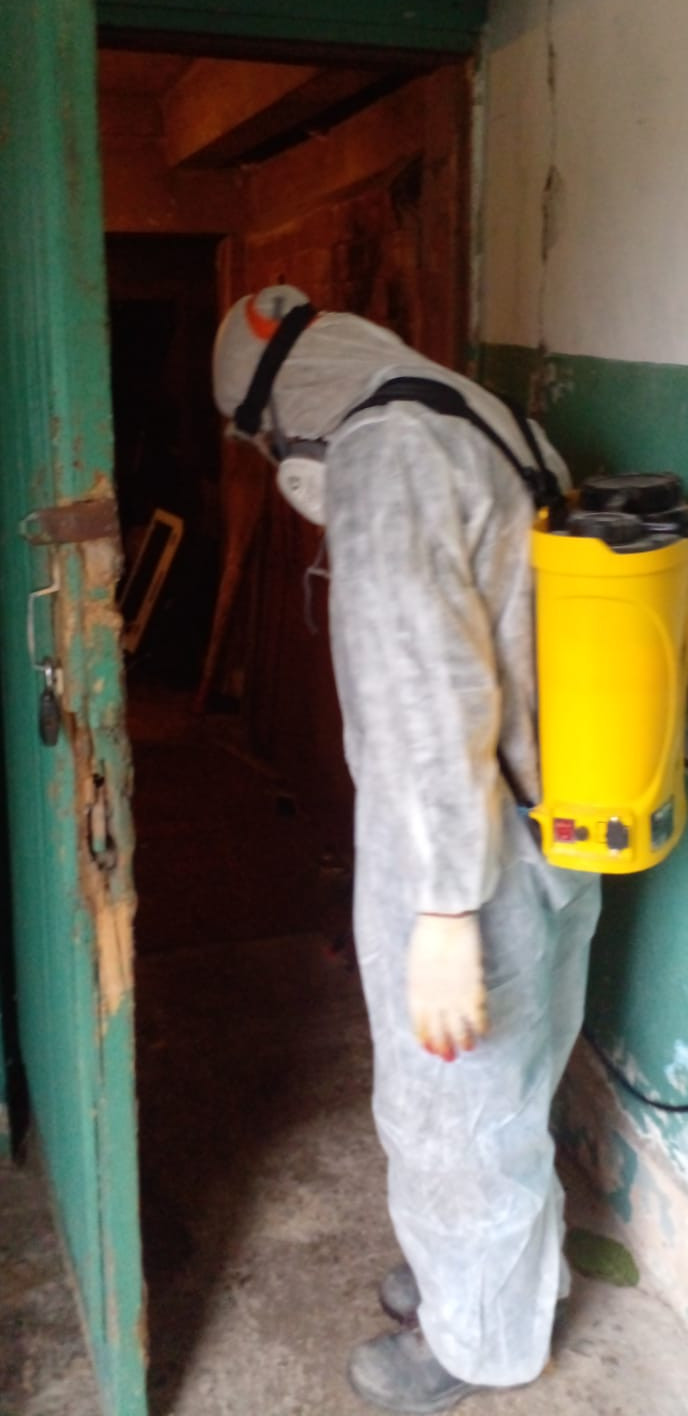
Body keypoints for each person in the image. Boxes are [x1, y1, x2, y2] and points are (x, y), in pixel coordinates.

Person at [212, 284, 601, 1414]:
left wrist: (439, 913)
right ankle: (498, 1281)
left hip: (466, 845)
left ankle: (475, 1343)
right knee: (512, 1089)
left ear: (279, 418)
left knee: (450, 1112)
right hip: (551, 809)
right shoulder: (472, 408)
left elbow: (425, 696)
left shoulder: (385, 454)